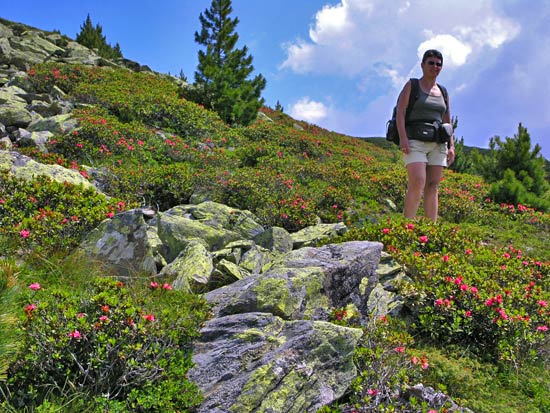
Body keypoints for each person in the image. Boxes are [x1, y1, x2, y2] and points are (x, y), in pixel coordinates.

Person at [396, 49, 455, 221]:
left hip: (438, 143)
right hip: (415, 140)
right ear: (422, 65)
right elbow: (400, 113)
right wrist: (403, 138)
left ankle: (430, 229)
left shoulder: (443, 91)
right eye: (431, 63)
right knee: (418, 182)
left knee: (433, 185)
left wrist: (451, 145)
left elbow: (447, 119)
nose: (435, 67)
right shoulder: (412, 85)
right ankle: (407, 227)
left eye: (438, 64)